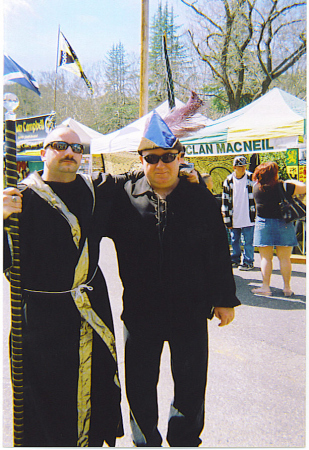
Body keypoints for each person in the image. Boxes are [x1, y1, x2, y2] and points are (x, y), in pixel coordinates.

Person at [106, 111, 241, 447]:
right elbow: (79, 202)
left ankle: (183, 440)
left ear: (181, 157)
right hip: (140, 313)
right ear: (141, 160)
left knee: (192, 384)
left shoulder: (199, 199)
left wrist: (224, 299)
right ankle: (145, 441)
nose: (161, 165)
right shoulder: (123, 198)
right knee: (138, 383)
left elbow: (218, 252)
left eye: (168, 157)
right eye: (152, 158)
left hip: (190, 311)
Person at [3, 125, 125, 447]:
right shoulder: (19, 199)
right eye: (60, 145)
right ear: (43, 153)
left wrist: (184, 174)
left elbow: (145, 178)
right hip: (43, 322)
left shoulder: (96, 189)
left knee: (97, 384)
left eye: (77, 148)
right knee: (48, 400)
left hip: (90, 309)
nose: (70, 153)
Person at [251, 161, 306, 296]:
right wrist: (290, 180)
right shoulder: (284, 186)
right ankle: (287, 288)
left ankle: (265, 287)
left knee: (265, 258)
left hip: (263, 223)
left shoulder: (256, 187)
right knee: (285, 258)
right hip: (283, 223)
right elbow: (304, 187)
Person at [222, 155, 256, 270]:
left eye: (244, 166)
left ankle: (248, 261)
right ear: (234, 167)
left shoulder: (251, 178)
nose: (243, 168)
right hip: (234, 216)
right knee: (234, 240)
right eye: (240, 166)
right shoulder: (228, 180)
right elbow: (225, 201)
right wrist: (227, 219)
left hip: (248, 215)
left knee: (248, 241)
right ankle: (235, 259)